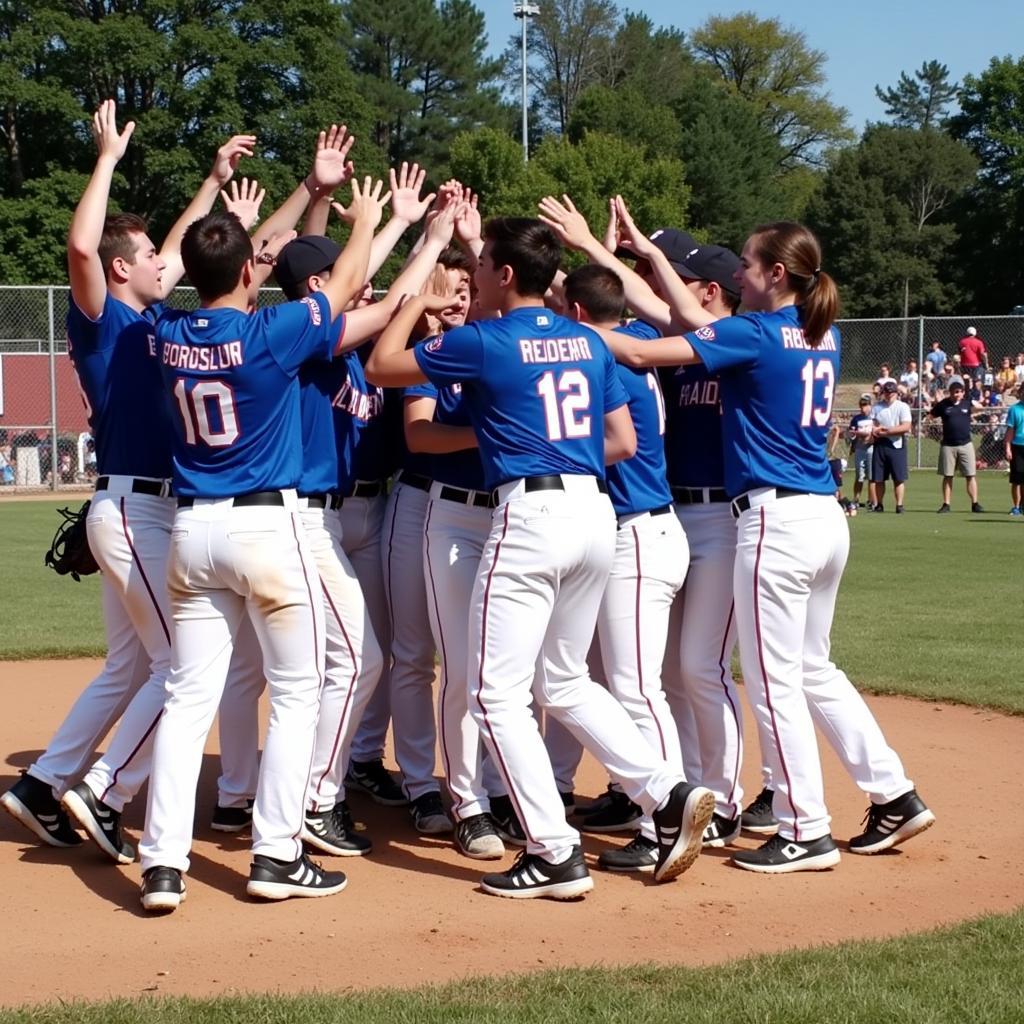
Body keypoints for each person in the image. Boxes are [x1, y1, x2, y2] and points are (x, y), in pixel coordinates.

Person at [365, 216, 715, 899]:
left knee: (498, 692)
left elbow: (381, 365)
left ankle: (555, 851)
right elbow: (619, 440)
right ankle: (666, 792)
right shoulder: (586, 339)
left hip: (528, 514)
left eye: (486, 263)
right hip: (594, 511)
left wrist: (418, 304)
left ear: (501, 275)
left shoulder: (487, 340)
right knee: (562, 681)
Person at [598, 207, 935, 873]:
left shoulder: (756, 332)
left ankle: (804, 827)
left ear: (776, 273)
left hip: (774, 523)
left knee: (775, 681)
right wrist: (626, 255)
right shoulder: (820, 330)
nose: (740, 274)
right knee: (813, 668)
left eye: (749, 265)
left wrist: (564, 331)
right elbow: (696, 323)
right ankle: (893, 792)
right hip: (822, 516)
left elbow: (640, 348)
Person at [0, 100, 256, 853]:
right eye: (147, 259)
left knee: (128, 664)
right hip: (137, 514)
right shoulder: (102, 315)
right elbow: (83, 251)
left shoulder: (149, 320)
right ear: (122, 269)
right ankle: (103, 793)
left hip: (133, 513)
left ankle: (43, 784)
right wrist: (107, 159)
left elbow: (178, 249)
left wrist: (211, 182)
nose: (163, 265)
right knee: (183, 663)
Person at [137, 178, 389, 913]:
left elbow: (171, 280)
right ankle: (276, 854)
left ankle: (162, 866)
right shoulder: (267, 335)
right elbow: (343, 288)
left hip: (192, 529)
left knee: (188, 698)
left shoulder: (167, 334)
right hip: (266, 528)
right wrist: (371, 220)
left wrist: (219, 226)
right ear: (251, 272)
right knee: (299, 691)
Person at [928, 377, 984, 514]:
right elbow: (930, 416)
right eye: (954, 392)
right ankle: (946, 504)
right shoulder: (943, 404)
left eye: (959, 392)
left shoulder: (966, 404)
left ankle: (975, 503)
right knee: (948, 475)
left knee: (970, 475)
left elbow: (980, 408)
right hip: (948, 445)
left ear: (962, 392)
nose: (956, 394)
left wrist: (971, 400)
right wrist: (933, 429)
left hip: (966, 444)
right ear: (950, 392)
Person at [870, 381, 912, 513]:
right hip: (880, 444)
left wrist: (888, 431)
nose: (889, 395)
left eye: (892, 393)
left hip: (896, 444)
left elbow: (906, 426)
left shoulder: (902, 407)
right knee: (879, 478)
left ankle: (899, 505)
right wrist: (876, 430)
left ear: (896, 393)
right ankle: (879, 504)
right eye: (886, 393)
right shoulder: (877, 407)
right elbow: (871, 424)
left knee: (898, 478)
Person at [847, 394, 875, 510]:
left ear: (870, 405)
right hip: (860, 449)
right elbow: (851, 434)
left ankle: (872, 500)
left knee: (872, 476)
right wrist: (853, 444)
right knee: (859, 475)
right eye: (862, 405)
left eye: (866, 405)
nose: (864, 408)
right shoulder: (856, 419)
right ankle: (856, 499)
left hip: (872, 449)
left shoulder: (874, 418)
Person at [1004, 384, 1024, 515]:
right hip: (1018, 447)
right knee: (1017, 480)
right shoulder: (1014, 409)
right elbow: (1010, 431)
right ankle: (1016, 506)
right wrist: (1008, 448)